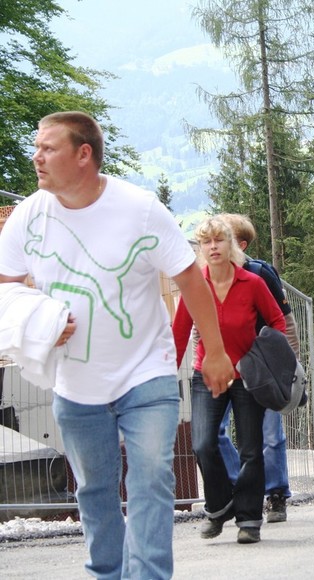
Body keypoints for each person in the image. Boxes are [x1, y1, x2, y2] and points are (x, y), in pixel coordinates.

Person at [0, 111, 235, 579]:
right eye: (37, 147)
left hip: (145, 374)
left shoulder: (139, 208)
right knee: (94, 489)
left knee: (151, 478)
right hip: (74, 382)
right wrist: (36, 320)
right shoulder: (30, 213)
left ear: (83, 154)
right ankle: (105, 573)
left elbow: (189, 276)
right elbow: (5, 284)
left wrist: (216, 351)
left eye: (48, 148)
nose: (36, 157)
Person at [172, 216, 286, 545]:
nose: (212, 247)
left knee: (252, 449)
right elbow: (179, 333)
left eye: (218, 241)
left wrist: (271, 362)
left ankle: (249, 519)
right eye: (205, 242)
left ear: (231, 245)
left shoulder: (252, 282)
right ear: (200, 249)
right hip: (206, 374)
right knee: (203, 444)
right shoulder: (196, 285)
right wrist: (165, 376)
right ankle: (220, 507)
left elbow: (277, 322)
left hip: (249, 378)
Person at [215, 213, 301, 523]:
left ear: (240, 244)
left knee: (269, 433)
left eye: (222, 239)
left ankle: (276, 494)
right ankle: (244, 488)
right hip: (224, 365)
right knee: (214, 432)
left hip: (263, 366)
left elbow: (285, 321)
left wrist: (290, 367)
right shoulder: (208, 276)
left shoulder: (261, 274)